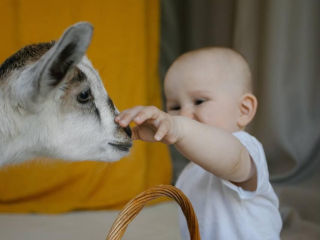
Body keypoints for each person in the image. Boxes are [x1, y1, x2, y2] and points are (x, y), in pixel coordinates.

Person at [115, 47, 282, 240]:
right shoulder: (189, 174)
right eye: (175, 107)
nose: (184, 115)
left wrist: (180, 128)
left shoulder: (245, 148)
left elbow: (232, 159)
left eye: (199, 101)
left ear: (243, 110)